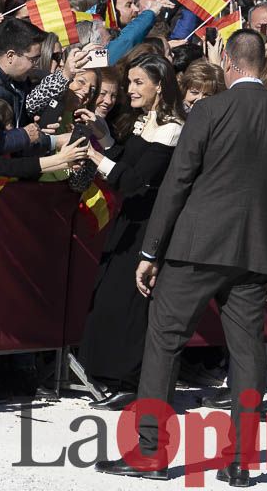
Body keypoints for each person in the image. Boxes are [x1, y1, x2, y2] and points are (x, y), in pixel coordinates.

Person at [96, 30, 267, 485]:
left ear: (230, 64)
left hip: (195, 247)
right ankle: (242, 461)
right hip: (256, 255)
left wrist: (151, 249)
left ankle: (150, 453)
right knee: (248, 353)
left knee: (164, 341)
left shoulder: (209, 109)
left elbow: (178, 182)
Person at [78, 55, 184, 410]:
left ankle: (131, 380)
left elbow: (138, 182)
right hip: (129, 222)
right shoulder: (145, 120)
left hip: (148, 227)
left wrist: (95, 158)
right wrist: (105, 136)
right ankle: (109, 375)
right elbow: (130, 159)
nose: (130, 90)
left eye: (139, 83)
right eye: (130, 82)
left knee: (131, 303)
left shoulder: (172, 129)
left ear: (159, 87)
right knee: (110, 295)